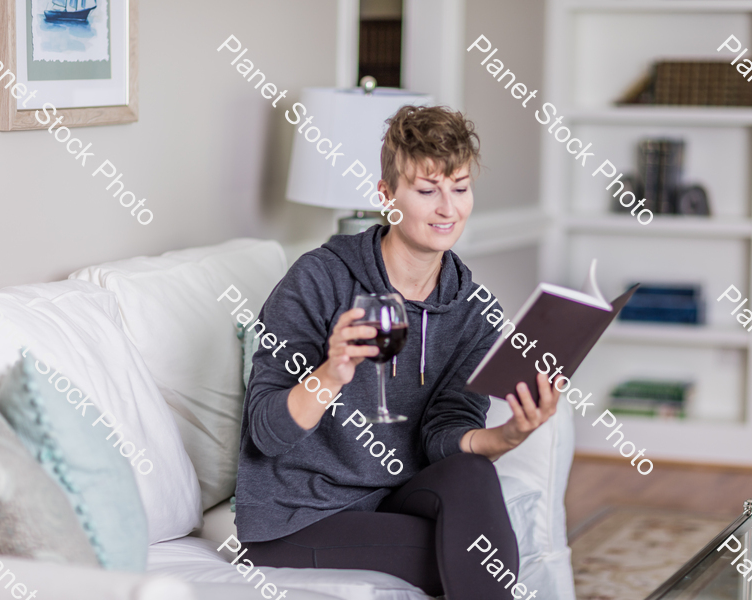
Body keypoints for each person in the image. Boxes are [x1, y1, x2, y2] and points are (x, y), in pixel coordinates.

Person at [236, 105, 562, 600]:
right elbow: (265, 433)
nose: (447, 209)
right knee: (476, 561)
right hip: (300, 514)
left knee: (474, 479)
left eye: (460, 187)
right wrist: (332, 372)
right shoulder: (318, 280)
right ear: (387, 197)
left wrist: (508, 435)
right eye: (427, 191)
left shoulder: (474, 309)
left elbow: (442, 437)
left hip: (394, 495)